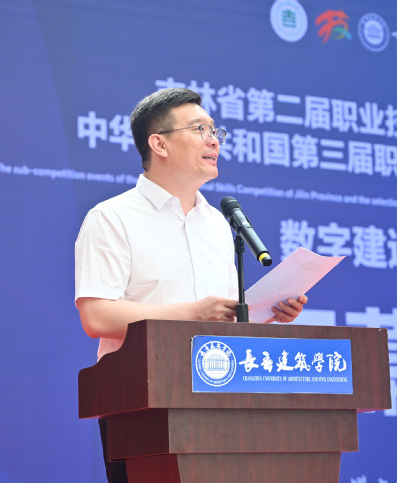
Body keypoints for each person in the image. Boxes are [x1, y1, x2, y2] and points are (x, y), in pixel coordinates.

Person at [74, 88, 307, 482]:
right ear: (159, 143)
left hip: (227, 398)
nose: (214, 140)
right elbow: (97, 315)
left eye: (215, 131)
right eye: (200, 129)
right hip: (142, 403)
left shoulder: (218, 223)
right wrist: (191, 314)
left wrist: (267, 312)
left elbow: (224, 319)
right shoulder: (112, 217)